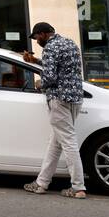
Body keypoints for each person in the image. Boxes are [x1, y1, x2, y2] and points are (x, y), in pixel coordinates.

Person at [21, 21, 87, 199]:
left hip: (59, 99)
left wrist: (39, 84)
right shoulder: (70, 43)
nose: (37, 42)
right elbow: (62, 68)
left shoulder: (50, 47)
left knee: (69, 142)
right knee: (55, 143)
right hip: (75, 98)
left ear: (42, 34)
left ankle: (78, 187)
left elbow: (50, 78)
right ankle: (42, 183)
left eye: (36, 38)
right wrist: (35, 61)